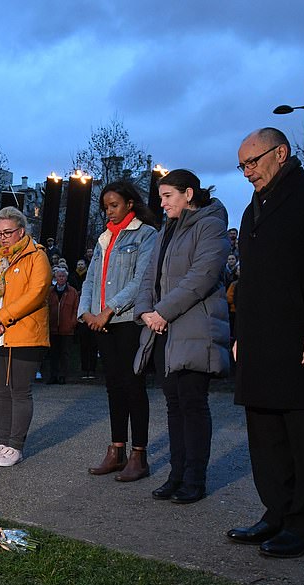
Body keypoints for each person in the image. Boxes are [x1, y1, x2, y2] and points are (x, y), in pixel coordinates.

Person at [229, 127, 304, 558]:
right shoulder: (251, 210)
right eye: (241, 165)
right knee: (265, 435)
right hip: (260, 341)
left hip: (302, 339)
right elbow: (250, 280)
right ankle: (276, 513)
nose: (246, 172)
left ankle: (303, 524)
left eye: (253, 162)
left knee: (302, 436)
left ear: (280, 153)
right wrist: (242, 333)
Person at [134, 170, 230, 502]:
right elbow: (149, 275)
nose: (161, 204)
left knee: (192, 404)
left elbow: (202, 276)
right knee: (174, 406)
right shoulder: (167, 230)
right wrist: (146, 311)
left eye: (167, 196)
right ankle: (177, 475)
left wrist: (162, 312)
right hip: (163, 330)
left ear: (188, 193)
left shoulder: (211, 225)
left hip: (194, 328)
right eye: (160, 197)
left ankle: (195, 479)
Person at [79, 180, 158, 481]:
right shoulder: (103, 239)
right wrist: (85, 312)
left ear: (129, 204)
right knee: (113, 386)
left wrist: (108, 310)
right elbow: (89, 280)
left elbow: (141, 281)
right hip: (101, 322)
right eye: (105, 207)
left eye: (114, 205)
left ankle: (139, 454)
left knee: (133, 385)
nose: (109, 212)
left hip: (126, 321)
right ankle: (116, 449)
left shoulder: (146, 235)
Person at [0, 207, 52, 467]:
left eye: (8, 232)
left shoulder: (37, 256)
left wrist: (2, 317)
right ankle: (2, 442)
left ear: (21, 231)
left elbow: (37, 292)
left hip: (24, 334)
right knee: (0, 391)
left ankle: (16, 445)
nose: (3, 237)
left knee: (19, 391)